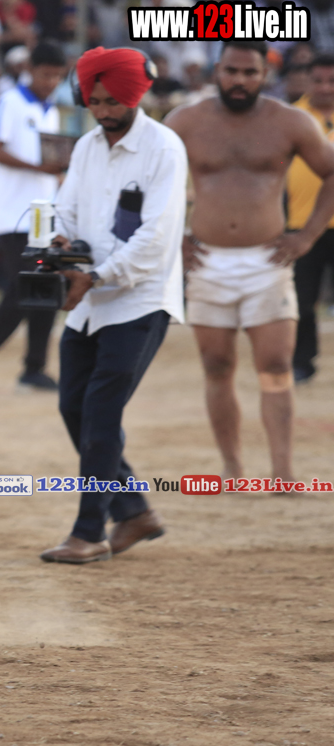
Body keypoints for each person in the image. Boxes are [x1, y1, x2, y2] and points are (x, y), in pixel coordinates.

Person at [36, 47, 187, 564]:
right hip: (88, 298)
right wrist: (61, 245)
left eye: (111, 101)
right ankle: (133, 511)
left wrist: (96, 276)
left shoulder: (164, 148)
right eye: (94, 101)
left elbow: (156, 237)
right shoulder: (86, 147)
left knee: (100, 412)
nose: (102, 111)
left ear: (134, 95)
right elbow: (67, 212)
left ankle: (89, 532)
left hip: (140, 299)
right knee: (73, 407)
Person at [165, 41, 334, 482]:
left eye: (250, 73)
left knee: (276, 366)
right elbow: (145, 179)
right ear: (216, 71)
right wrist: (172, 239)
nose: (239, 81)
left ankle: (282, 472)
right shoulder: (185, 121)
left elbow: (331, 171)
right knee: (216, 367)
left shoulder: (290, 121)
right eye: (232, 71)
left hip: (267, 262)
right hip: (206, 262)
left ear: (265, 75)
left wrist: (308, 235)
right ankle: (233, 467)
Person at [0, 40, 68, 393]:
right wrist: (39, 168)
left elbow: (46, 163)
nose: (51, 82)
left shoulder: (50, 110)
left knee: (46, 287)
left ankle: (33, 368)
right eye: (46, 74)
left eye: (57, 76)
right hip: (15, 213)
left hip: (43, 212)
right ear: (29, 70)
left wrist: (56, 176)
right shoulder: (10, 102)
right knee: (25, 287)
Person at [286, 52, 334, 384]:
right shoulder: (291, 118)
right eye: (318, 80)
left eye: (331, 81)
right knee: (301, 301)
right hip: (301, 223)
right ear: (307, 81)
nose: (325, 87)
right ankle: (302, 362)